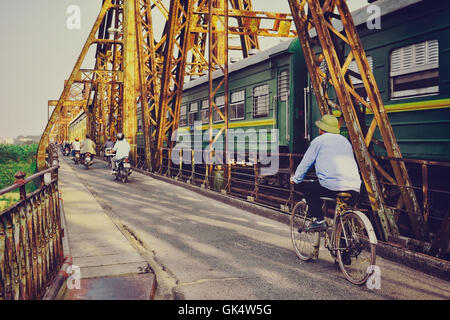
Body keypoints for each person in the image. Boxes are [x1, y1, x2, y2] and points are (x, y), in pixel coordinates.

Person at [290, 114, 361, 232]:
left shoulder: (319, 141)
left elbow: (306, 163)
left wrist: (295, 179)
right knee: (343, 216)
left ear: (321, 129)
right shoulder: (345, 141)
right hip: (354, 186)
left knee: (309, 188)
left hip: (332, 186)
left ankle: (319, 220)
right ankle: (344, 243)